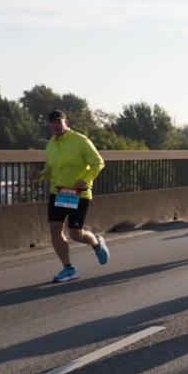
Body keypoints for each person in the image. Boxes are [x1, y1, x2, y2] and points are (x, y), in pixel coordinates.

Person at [31, 109, 109, 283]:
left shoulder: (81, 140)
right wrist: (40, 175)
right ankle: (68, 268)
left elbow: (98, 163)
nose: (56, 125)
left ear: (66, 122)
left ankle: (96, 243)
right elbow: (50, 170)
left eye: (59, 122)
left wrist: (85, 180)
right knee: (55, 229)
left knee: (76, 234)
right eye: (52, 122)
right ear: (49, 125)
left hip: (78, 194)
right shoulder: (51, 144)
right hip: (58, 193)